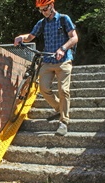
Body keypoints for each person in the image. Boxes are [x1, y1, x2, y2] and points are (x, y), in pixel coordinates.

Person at [14, 0, 78, 136]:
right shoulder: (42, 23)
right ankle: (59, 108)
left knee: (63, 90)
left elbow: (74, 37)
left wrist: (63, 48)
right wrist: (21, 37)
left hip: (63, 60)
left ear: (52, 6)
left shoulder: (63, 19)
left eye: (45, 9)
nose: (43, 12)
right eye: (41, 10)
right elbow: (31, 37)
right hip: (48, 61)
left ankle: (64, 122)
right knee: (43, 88)